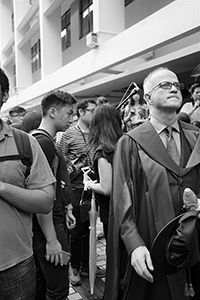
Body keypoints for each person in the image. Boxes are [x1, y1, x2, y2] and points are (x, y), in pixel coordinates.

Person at [104, 67, 200, 300]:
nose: (174, 88)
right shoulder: (130, 143)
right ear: (147, 98)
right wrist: (134, 244)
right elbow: (121, 202)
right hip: (153, 240)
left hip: (195, 237)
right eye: (165, 85)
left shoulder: (195, 135)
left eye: (176, 85)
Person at [0, 69, 55, 299]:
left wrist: (2, 187)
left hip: (16, 266)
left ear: (4, 95)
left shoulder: (25, 143)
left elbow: (46, 201)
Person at [31, 90, 77, 300]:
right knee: (58, 289)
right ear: (52, 111)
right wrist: (52, 239)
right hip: (48, 227)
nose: (72, 118)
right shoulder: (44, 142)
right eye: (69, 113)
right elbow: (41, 194)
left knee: (44, 286)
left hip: (48, 223)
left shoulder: (40, 140)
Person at [58, 98, 105, 285]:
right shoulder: (68, 134)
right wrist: (75, 165)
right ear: (81, 112)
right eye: (92, 110)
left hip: (93, 187)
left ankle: (87, 264)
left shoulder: (96, 133)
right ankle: (74, 265)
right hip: (76, 187)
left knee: (89, 228)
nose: (95, 113)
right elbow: (60, 162)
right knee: (76, 231)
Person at [83, 104, 123, 241]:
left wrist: (88, 183)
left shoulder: (103, 152)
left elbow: (107, 188)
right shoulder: (125, 145)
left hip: (112, 212)